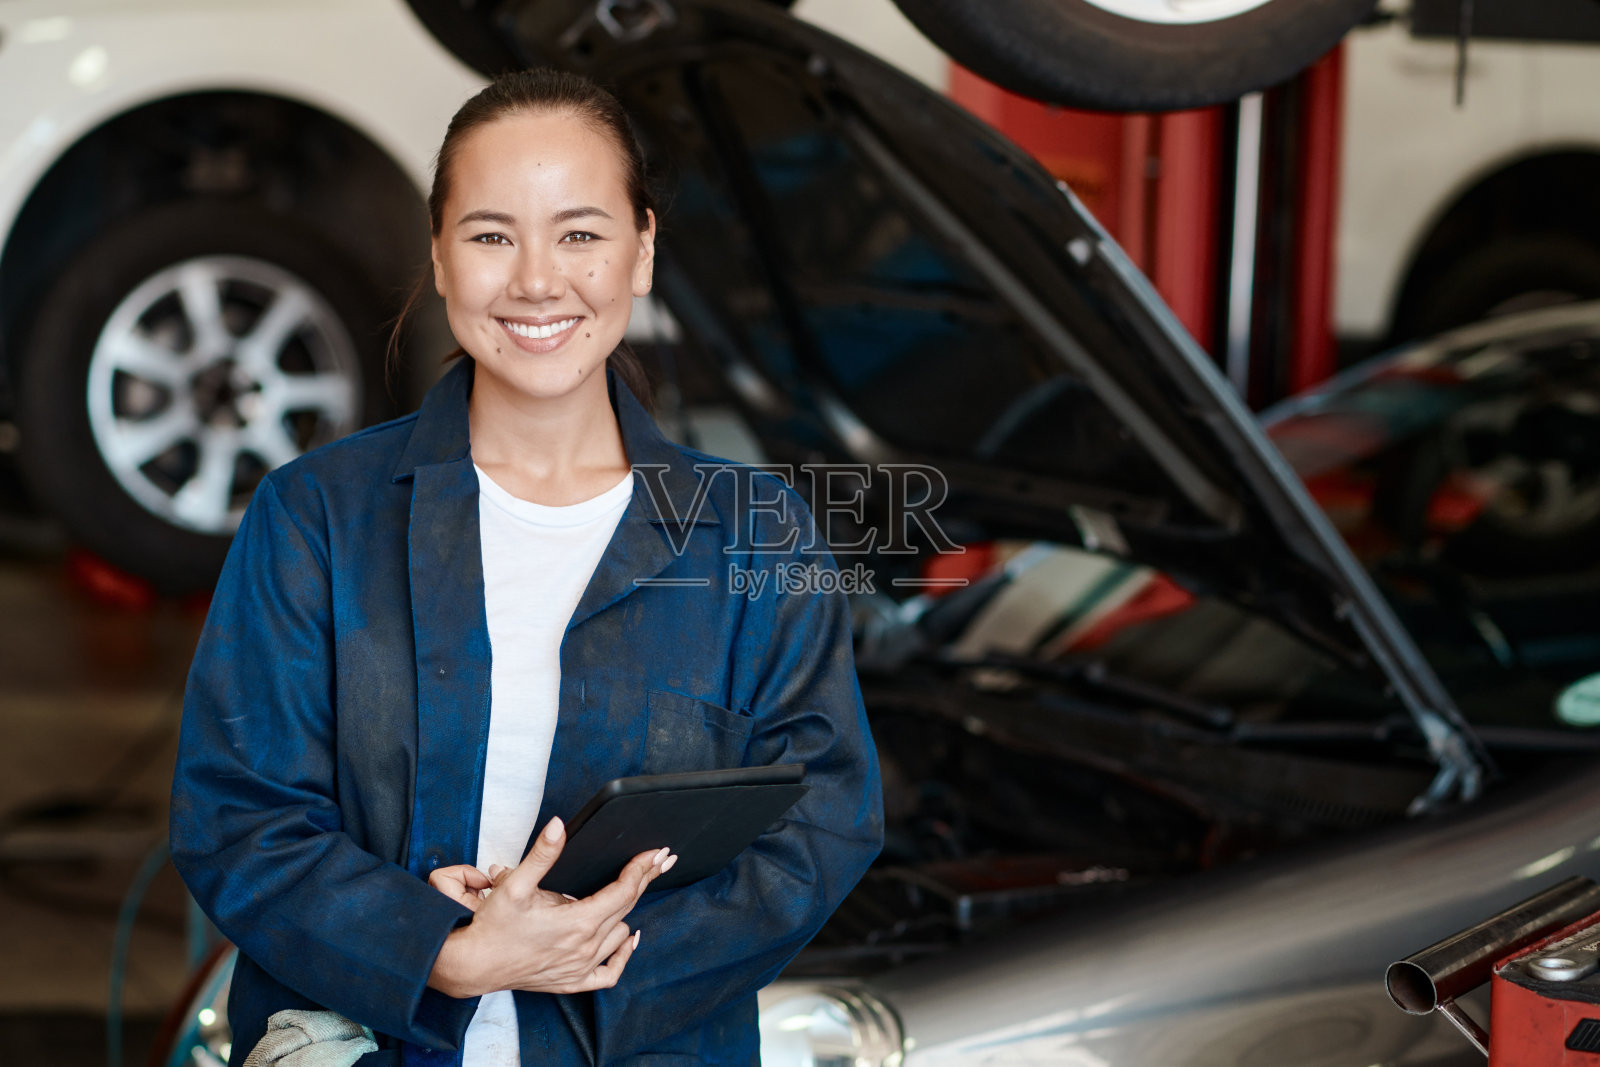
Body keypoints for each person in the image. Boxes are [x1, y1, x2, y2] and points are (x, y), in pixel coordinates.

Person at [170, 68, 883, 1067]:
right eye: (492, 234)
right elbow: (236, 816)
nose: (538, 280)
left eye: (581, 234)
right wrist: (439, 953)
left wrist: (592, 953)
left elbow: (825, 819)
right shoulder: (317, 513)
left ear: (641, 251)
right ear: (440, 254)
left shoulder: (754, 530)